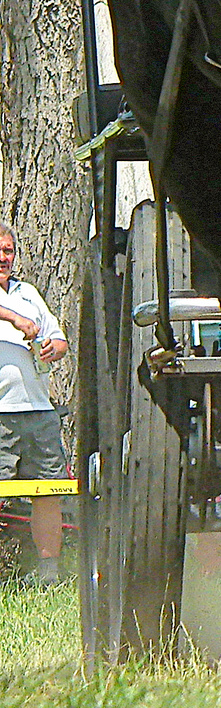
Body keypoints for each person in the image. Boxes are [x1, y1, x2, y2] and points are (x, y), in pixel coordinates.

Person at [0, 224, 70, 586]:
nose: (3, 257)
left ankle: (48, 575)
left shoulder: (28, 293)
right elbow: (15, 319)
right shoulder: (14, 308)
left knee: (49, 490)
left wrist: (52, 348)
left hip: (39, 409)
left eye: (9, 250)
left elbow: (59, 340)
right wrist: (14, 319)